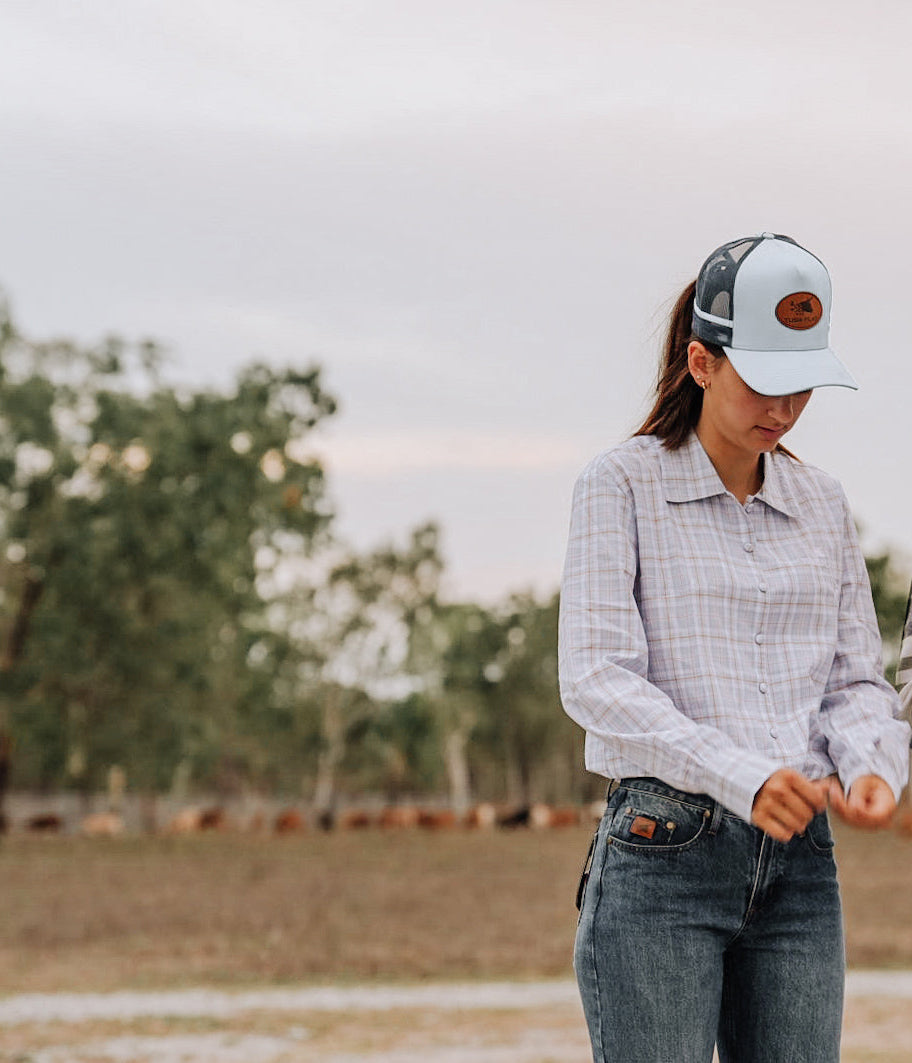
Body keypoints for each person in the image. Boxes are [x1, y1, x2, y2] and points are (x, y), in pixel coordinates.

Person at [559, 232, 911, 1063]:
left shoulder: (821, 502)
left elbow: (856, 679)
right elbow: (598, 677)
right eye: (764, 381)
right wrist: (743, 776)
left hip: (801, 866)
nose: (784, 409)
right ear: (701, 361)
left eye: (802, 387)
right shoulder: (621, 484)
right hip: (662, 855)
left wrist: (872, 765)